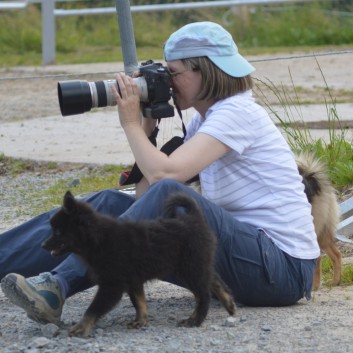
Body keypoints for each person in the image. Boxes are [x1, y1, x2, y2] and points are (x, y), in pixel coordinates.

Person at [0, 21, 319, 325]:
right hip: (246, 260)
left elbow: (166, 179)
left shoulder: (239, 112)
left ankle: (57, 285)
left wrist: (128, 124)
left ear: (204, 70)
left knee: (173, 194)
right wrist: (147, 128)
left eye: (173, 73)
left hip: (283, 269)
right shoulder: (204, 121)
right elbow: (145, 196)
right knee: (112, 203)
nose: (167, 82)